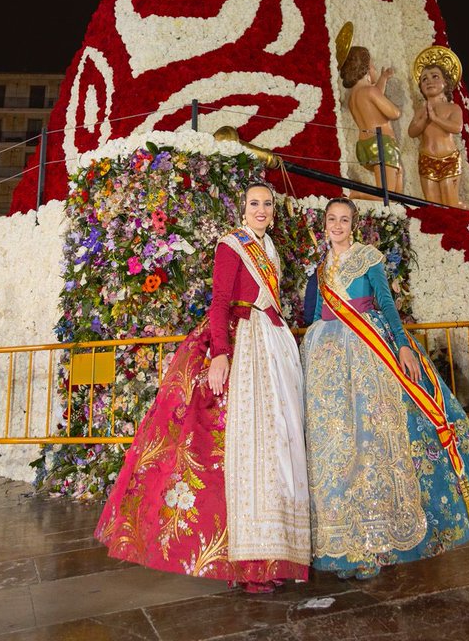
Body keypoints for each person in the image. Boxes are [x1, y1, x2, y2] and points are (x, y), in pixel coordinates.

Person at [95, 182, 310, 591]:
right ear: (243, 209)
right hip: (244, 345)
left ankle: (274, 554)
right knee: (242, 452)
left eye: (267, 204)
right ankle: (246, 564)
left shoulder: (270, 249)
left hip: (272, 345)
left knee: (275, 450)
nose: (261, 209)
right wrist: (221, 353)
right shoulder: (232, 246)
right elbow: (220, 301)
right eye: (254, 203)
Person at [301, 198, 469, 578]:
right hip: (330, 365)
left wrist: (402, 345)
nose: (337, 225)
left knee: (372, 444)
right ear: (325, 223)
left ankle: (377, 543)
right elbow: (316, 315)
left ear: (353, 224)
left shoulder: (369, 258)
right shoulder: (320, 269)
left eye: (344, 219)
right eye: (332, 219)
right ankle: (344, 543)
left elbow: (386, 305)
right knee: (338, 447)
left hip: (370, 355)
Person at [341, 45, 403, 195]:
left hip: (365, 146)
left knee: (397, 184)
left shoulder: (353, 98)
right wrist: (397, 108)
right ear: (367, 68)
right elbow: (394, 113)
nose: (375, 68)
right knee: (387, 195)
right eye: (373, 65)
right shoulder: (370, 91)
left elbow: (374, 100)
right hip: (382, 144)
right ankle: (354, 194)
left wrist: (383, 78)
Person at [408, 51, 464, 207]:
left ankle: (461, 212)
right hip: (426, 160)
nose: (429, 81)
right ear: (421, 87)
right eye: (424, 79)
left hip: (448, 159)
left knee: (450, 203)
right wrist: (423, 120)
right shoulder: (421, 111)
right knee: (432, 204)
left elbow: (457, 127)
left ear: (445, 82)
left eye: (435, 76)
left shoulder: (453, 108)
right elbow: (412, 132)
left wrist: (435, 119)